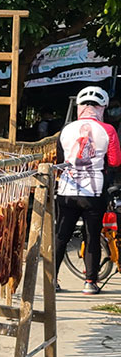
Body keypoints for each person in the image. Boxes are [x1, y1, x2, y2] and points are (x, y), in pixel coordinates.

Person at [54, 84, 121, 294]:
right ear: (102, 108)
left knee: (61, 235)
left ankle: (50, 281)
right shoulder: (108, 130)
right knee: (91, 235)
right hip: (93, 193)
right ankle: (90, 283)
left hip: (66, 190)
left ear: (79, 107)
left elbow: (60, 160)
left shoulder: (66, 129)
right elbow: (116, 160)